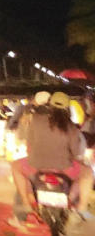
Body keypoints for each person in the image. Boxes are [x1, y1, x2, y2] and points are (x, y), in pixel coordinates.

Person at [11, 91, 94, 224]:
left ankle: (26, 204)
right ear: (67, 107)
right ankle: (82, 207)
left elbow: (30, 143)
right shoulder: (70, 126)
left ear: (51, 105)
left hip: (35, 165)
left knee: (15, 166)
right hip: (64, 168)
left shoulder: (35, 119)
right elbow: (76, 152)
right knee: (88, 173)